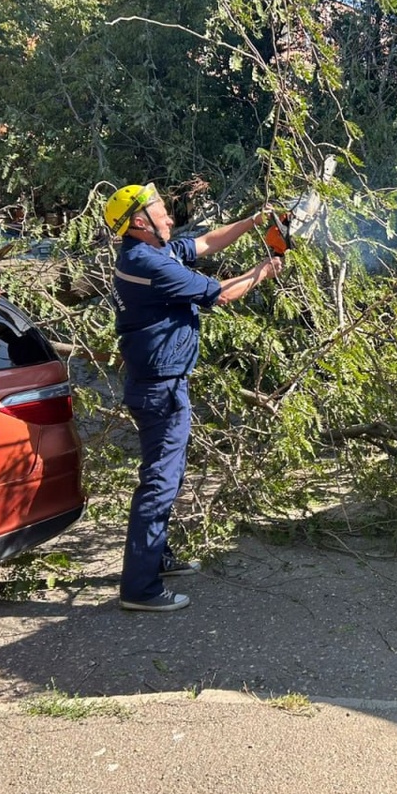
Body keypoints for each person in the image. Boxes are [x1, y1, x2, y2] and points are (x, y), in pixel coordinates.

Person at [104, 183, 282, 612]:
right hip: (159, 389)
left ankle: (156, 558)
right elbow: (219, 293)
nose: (170, 218)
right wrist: (263, 272)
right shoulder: (148, 262)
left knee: (167, 475)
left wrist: (253, 222)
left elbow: (204, 242)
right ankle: (140, 589)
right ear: (141, 223)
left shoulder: (155, 251)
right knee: (160, 483)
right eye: (162, 212)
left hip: (163, 384)